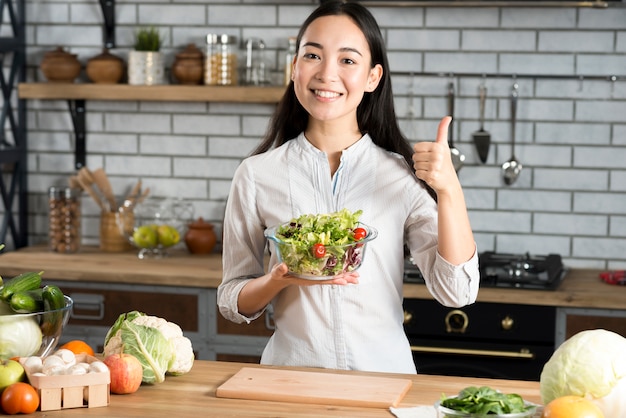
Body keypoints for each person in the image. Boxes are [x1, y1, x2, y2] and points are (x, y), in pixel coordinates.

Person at [217, 0, 479, 374]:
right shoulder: (257, 174)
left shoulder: (400, 174)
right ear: (295, 68)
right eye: (312, 55)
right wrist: (278, 280)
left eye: (347, 60)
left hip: (383, 381)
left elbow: (457, 292)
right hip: (291, 381)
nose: (326, 73)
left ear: (373, 77)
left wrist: (450, 190)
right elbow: (232, 300)